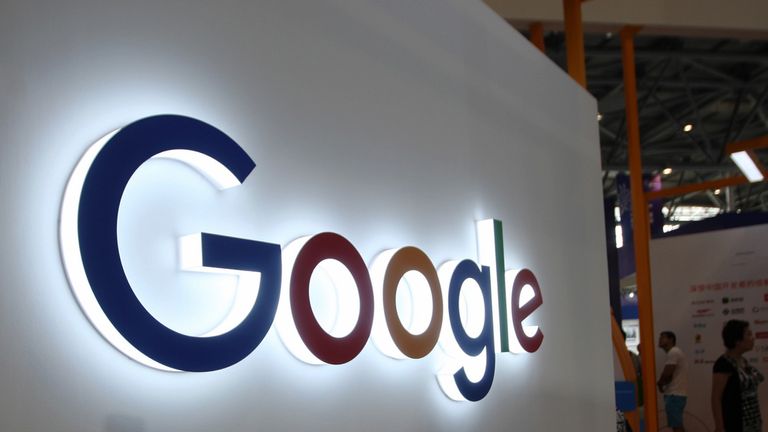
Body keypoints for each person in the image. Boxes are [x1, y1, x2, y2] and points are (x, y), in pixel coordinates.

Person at [711, 319, 765, 432]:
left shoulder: (743, 361)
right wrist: (720, 427)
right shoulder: (723, 364)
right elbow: (716, 398)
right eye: (748, 334)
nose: (753, 338)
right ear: (737, 341)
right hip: (736, 423)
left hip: (753, 421)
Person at [657, 331, 688, 432]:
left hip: (674, 395)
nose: (660, 339)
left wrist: (660, 383)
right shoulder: (674, 352)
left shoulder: (673, 352)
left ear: (671, 339)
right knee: (677, 425)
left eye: (663, 337)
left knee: (677, 426)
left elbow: (668, 373)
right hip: (676, 395)